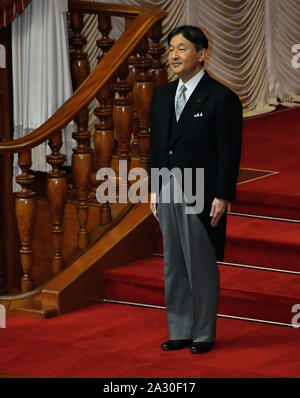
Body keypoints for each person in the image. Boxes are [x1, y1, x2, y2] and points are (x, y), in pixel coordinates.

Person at [149, 25, 243, 354]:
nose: (174, 55)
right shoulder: (161, 96)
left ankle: (203, 334)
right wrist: (154, 188)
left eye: (182, 48)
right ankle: (180, 329)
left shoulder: (222, 98)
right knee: (173, 262)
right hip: (170, 189)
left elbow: (229, 152)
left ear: (201, 54)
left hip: (201, 191)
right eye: (171, 48)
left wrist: (222, 195)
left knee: (200, 264)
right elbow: (157, 148)